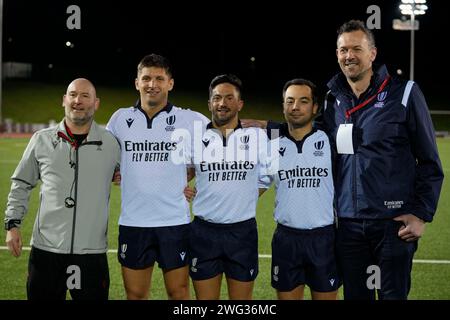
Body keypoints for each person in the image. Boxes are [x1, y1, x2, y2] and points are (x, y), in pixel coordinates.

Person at [243, 20, 444, 300]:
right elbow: (310, 133)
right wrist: (267, 126)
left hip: (392, 223)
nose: (349, 55)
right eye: (343, 49)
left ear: (372, 53)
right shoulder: (332, 99)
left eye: (356, 49)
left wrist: (421, 213)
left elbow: (431, 162)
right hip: (348, 224)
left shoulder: (405, 93)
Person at [4, 78, 121, 300]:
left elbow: (136, 174)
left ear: (96, 103)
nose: (78, 101)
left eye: (85, 96)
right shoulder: (41, 140)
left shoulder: (111, 144)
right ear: (64, 100)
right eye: (73, 94)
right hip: (46, 251)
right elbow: (21, 183)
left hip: (91, 253)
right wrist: (12, 224)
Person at [106, 54, 208, 300]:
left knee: (179, 292)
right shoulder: (120, 119)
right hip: (134, 222)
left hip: (174, 222)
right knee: (136, 294)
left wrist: (190, 179)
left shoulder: (191, 119)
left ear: (170, 83)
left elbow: (218, 150)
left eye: (159, 78)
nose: (152, 84)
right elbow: (107, 159)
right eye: (147, 78)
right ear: (137, 83)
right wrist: (114, 173)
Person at [185, 74, 270, 300]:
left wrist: (246, 197)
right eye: (217, 98)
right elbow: (179, 173)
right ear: (210, 103)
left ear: (240, 103)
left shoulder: (258, 137)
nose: (222, 103)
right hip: (204, 231)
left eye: (229, 98)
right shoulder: (195, 137)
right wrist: (180, 187)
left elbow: (268, 176)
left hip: (242, 232)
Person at [260, 79, 340, 300]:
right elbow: (257, 185)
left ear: (315, 108)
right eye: (290, 101)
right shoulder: (272, 142)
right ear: (283, 105)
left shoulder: (329, 139)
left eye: (303, 101)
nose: (295, 107)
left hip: (323, 238)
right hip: (286, 239)